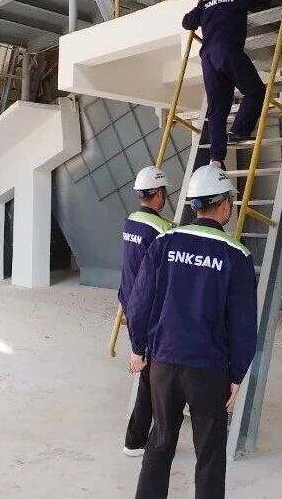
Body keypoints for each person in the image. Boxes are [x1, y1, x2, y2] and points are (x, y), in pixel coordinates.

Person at [126, 165, 258, 499]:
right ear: (225, 204)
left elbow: (139, 302)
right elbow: (243, 324)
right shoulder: (237, 255)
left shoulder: (164, 242)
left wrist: (139, 348)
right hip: (208, 369)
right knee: (210, 454)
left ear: (194, 204)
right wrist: (236, 375)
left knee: (160, 442)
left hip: (164, 364)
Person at [182, 0, 278, 170]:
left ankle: (216, 159)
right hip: (227, 52)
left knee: (217, 108)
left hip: (208, 59)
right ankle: (239, 130)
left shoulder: (206, 3)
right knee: (254, 90)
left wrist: (203, 5)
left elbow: (187, 22)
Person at [120, 166, 173, 457]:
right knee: (151, 378)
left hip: (131, 303)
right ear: (160, 194)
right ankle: (135, 440)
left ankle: (144, 435)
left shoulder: (130, 221)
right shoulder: (161, 230)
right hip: (150, 312)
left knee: (152, 374)